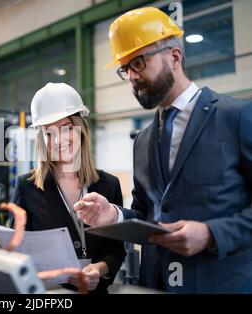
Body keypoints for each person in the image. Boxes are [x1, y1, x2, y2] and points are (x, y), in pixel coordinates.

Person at [74, 7, 252, 293]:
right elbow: (149, 215)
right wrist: (115, 215)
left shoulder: (236, 117)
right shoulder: (143, 141)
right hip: (154, 284)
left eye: (139, 63)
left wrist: (211, 234)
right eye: (126, 68)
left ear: (174, 57)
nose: (131, 76)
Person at [11, 83, 125, 293]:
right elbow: (13, 252)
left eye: (67, 128)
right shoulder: (27, 187)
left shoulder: (109, 185)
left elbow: (116, 250)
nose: (58, 140)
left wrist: (99, 270)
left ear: (81, 130)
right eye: (48, 132)